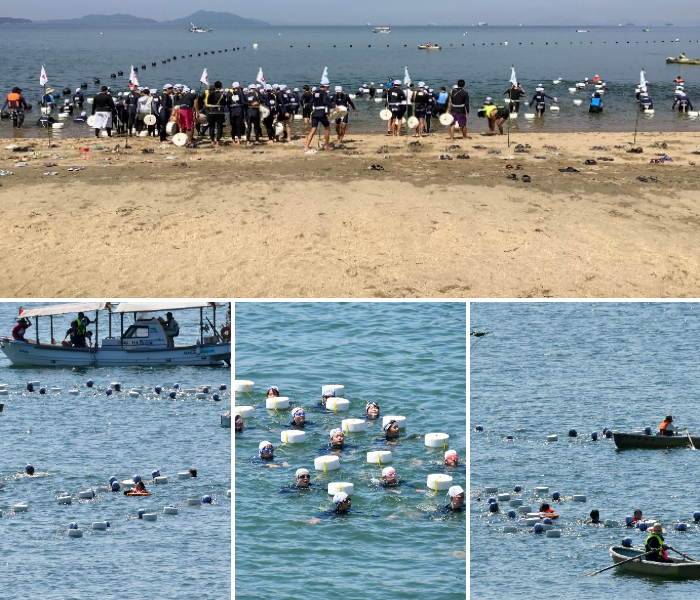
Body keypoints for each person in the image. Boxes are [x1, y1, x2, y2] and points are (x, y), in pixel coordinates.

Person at [303, 82, 333, 152]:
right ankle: (326, 145)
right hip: (322, 113)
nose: (328, 88)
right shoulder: (324, 93)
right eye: (327, 87)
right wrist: (332, 106)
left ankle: (306, 147)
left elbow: (310, 104)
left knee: (313, 130)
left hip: (315, 113)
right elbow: (325, 102)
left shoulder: (315, 93)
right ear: (325, 87)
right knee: (327, 128)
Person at [203, 81, 228, 146]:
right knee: (219, 127)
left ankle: (212, 140)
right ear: (221, 86)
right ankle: (218, 140)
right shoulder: (222, 95)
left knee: (212, 127)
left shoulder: (211, 94)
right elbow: (224, 103)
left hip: (211, 111)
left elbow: (208, 102)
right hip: (219, 112)